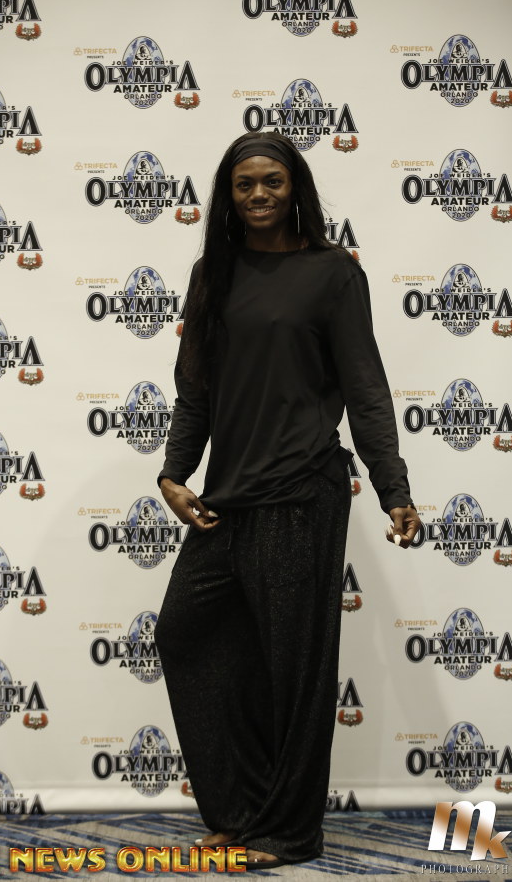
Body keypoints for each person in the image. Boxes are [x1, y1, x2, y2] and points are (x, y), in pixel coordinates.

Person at [154, 131, 420, 869]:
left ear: (295, 186)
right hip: (228, 498)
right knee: (184, 636)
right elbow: (194, 387)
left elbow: (365, 388)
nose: (259, 195)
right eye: (244, 184)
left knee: (294, 672)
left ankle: (289, 832)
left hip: (303, 491)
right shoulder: (213, 273)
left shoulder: (332, 273)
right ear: (228, 195)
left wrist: (393, 487)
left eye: (272, 181)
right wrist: (174, 474)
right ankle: (241, 813)